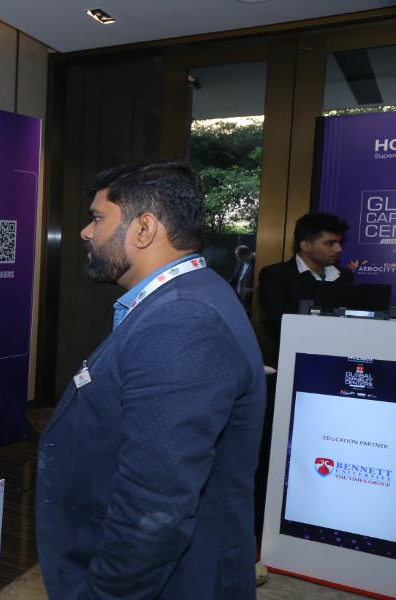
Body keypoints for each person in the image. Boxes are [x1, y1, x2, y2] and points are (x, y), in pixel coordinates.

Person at [36, 160, 265, 599]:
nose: (85, 232)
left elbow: (154, 508)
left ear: (143, 229)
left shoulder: (183, 321)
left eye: (98, 218)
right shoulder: (188, 297)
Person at [258, 211, 352, 344]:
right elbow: (280, 324)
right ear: (306, 246)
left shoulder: (345, 275)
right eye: (330, 243)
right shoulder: (275, 276)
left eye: (339, 242)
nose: (338, 249)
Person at [228, 244, 255, 311]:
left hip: (250, 300)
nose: (239, 260)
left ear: (246, 255)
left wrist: (250, 289)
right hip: (239, 297)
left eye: (239, 258)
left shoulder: (258, 262)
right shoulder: (242, 261)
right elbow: (234, 277)